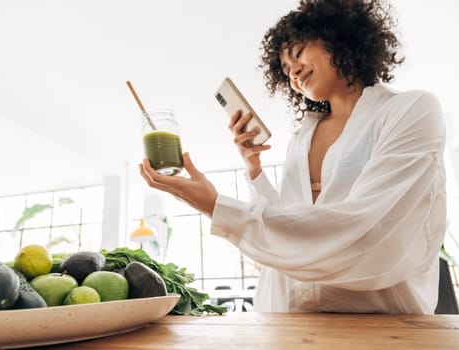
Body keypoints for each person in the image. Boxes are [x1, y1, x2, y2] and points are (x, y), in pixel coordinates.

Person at [140, 0, 446, 314]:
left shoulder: (410, 110)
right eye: (285, 70)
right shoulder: (302, 139)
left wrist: (215, 206)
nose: (294, 73)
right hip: (288, 318)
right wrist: (254, 170)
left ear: (339, 37)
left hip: (381, 325)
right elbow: (292, 223)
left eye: (298, 54)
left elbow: (368, 231)